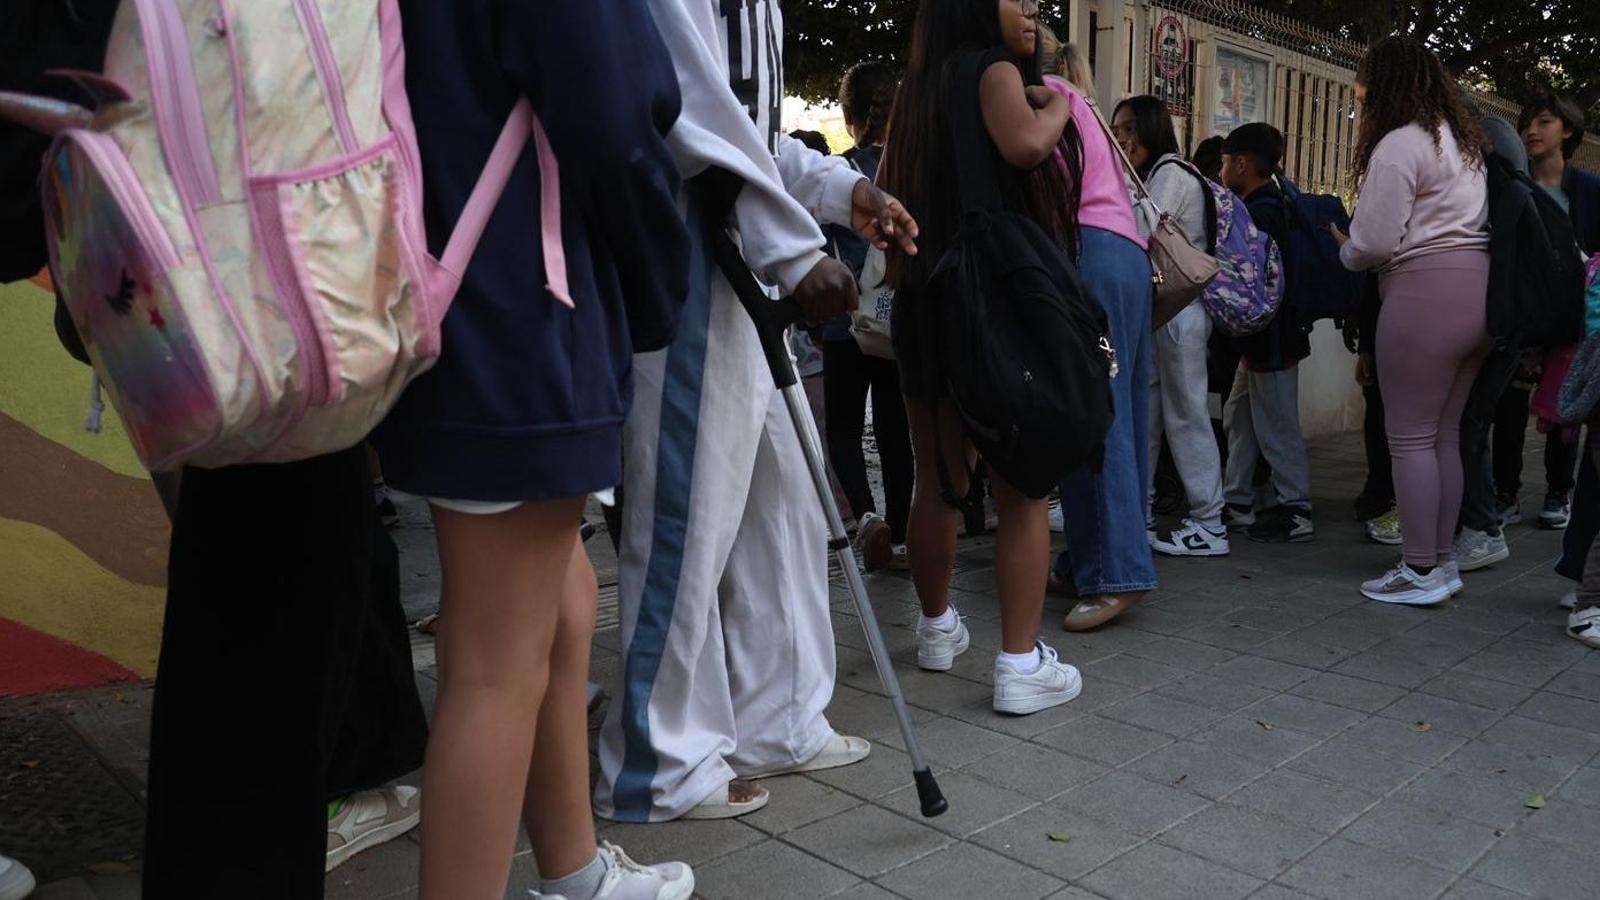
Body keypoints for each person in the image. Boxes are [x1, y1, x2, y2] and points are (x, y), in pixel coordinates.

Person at [370, 3, 697, 898]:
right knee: (492, 672)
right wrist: (659, 284)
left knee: (560, 602)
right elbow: (617, 109)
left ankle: (575, 871)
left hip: (452, 291)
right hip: (522, 315)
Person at [594, 0, 919, 823]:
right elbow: (683, 107)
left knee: (784, 501)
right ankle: (656, 760)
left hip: (743, 255)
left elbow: (749, 129)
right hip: (690, 252)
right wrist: (795, 246)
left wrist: (846, 193)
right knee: (686, 515)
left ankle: (777, 716)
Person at [881, 0, 1091, 707]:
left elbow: (886, 189)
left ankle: (937, 630)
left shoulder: (914, 92)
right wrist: (1062, 104)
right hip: (992, 302)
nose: (1032, 5)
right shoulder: (992, 68)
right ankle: (1019, 663)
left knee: (935, 477)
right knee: (1021, 486)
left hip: (924, 297)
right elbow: (1026, 146)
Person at [1331, 34, 1490, 607]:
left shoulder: (1400, 143)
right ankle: (1440, 560)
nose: (1360, 97)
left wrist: (1345, 250)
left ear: (1385, 85)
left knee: (1411, 438)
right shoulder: (1460, 143)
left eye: (1364, 85)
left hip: (1422, 294)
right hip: (1477, 294)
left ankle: (1420, 568)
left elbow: (1374, 241)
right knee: (1443, 435)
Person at [1111, 95, 1229, 561]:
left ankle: (1209, 521)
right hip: (1165, 312)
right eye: (1117, 130)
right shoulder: (1161, 173)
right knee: (1151, 416)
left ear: (1152, 129)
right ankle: (1135, 512)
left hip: (1179, 312)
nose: (1121, 138)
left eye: (1128, 129)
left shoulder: (1172, 174)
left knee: (1185, 414)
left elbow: (1142, 229)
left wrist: (1117, 183)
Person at [820, 61, 915, 572]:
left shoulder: (841, 175)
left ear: (847, 112)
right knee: (898, 431)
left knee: (843, 428)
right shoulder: (909, 171)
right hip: (896, 322)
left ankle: (865, 516)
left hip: (844, 320)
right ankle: (900, 534)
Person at [1218, 123, 1316, 543]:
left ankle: (1297, 510)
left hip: (1271, 340)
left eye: (1224, 161)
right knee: (1240, 418)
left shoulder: (1260, 212)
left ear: (1242, 164)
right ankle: (1236, 501)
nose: (1221, 169)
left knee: (1276, 425)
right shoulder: (1272, 204)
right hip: (1263, 340)